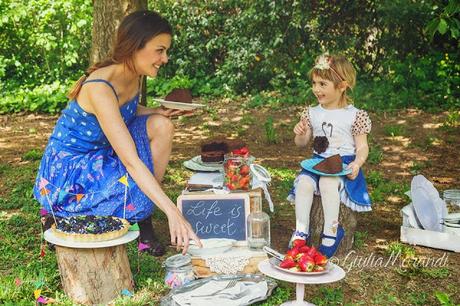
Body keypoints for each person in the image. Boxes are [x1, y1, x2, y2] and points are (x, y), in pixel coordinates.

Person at [33, 10, 202, 256]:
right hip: (71, 167)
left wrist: (157, 111)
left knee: (161, 125)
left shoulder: (135, 74)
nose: (165, 58)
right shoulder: (99, 87)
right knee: (133, 181)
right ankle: (60, 215)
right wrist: (173, 212)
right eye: (160, 50)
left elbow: (125, 110)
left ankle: (141, 215)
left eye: (166, 51)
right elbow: (131, 161)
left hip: (102, 149)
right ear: (135, 46)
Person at [287, 53, 372, 258]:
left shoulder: (354, 115)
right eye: (314, 83)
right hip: (315, 162)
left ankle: (331, 232)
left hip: (341, 164)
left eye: (323, 84)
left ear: (342, 86)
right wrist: (300, 133)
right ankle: (301, 232)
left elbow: (362, 147)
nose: (316, 89)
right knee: (304, 183)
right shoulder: (311, 112)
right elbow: (301, 143)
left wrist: (357, 163)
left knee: (326, 182)